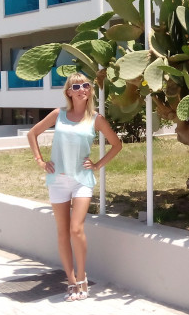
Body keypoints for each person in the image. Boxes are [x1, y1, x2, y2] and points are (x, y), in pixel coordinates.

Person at [27, 72, 122, 302]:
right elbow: (32, 133)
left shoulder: (96, 119)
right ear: (69, 92)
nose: (82, 90)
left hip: (82, 180)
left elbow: (117, 144)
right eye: (76, 86)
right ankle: (70, 280)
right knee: (62, 232)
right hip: (58, 180)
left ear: (90, 90)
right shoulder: (58, 114)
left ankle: (82, 277)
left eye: (86, 85)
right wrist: (40, 161)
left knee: (76, 229)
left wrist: (97, 165)